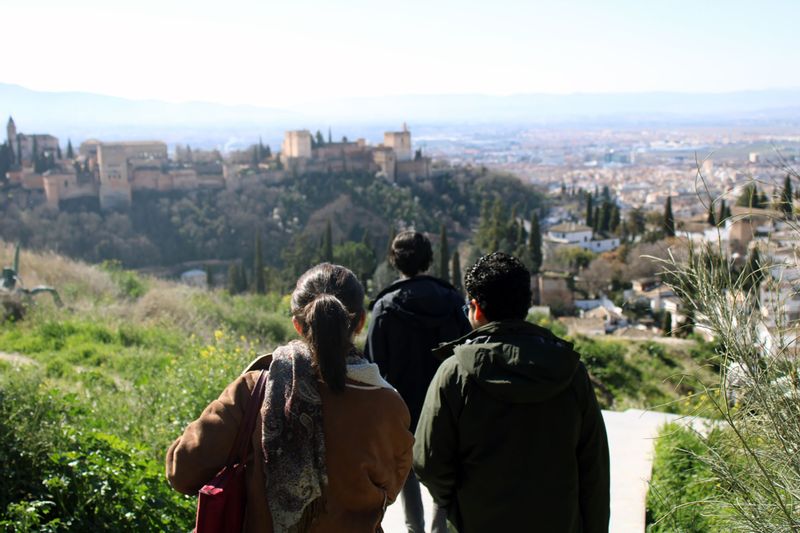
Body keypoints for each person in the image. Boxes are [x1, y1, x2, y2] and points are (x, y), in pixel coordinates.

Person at [166, 263, 414, 532]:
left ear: (297, 324)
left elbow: (183, 472)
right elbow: (388, 491)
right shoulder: (389, 406)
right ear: (360, 321)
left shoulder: (255, 388)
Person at [413, 252, 610, 533]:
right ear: (527, 305)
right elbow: (595, 470)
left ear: (476, 309)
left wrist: (457, 503)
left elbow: (428, 461)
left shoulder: (455, 373)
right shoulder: (571, 372)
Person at [365, 231, 471, 533]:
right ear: (429, 259)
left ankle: (415, 529)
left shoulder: (385, 307)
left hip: (403, 411)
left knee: (406, 472)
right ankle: (440, 528)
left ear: (394, 260)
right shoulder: (452, 301)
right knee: (446, 467)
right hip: (447, 408)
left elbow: (373, 367)